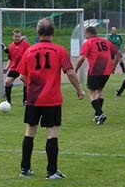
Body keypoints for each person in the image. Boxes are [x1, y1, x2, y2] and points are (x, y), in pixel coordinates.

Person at [17, 18, 85, 179]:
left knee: (29, 131)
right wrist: (79, 90)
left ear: (38, 33)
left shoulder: (29, 51)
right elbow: (70, 72)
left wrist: (33, 86)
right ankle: (51, 171)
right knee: (52, 132)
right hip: (51, 99)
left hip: (33, 99)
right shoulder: (59, 51)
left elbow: (22, 77)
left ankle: (24, 169)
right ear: (53, 33)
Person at [75, 26, 120, 125]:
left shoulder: (88, 43)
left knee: (91, 93)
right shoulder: (106, 42)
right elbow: (118, 53)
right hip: (106, 71)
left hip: (95, 71)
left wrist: (76, 69)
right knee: (99, 91)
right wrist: (114, 66)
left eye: (85, 34)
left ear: (88, 34)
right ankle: (97, 115)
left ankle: (100, 113)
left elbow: (82, 58)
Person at [2, 29, 30, 105]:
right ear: (13, 36)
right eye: (16, 36)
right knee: (7, 82)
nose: (17, 38)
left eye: (18, 36)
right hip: (15, 68)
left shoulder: (25, 44)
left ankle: (26, 100)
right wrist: (6, 68)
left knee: (24, 80)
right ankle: (8, 101)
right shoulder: (11, 46)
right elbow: (10, 59)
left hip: (23, 67)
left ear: (21, 36)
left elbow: (30, 55)